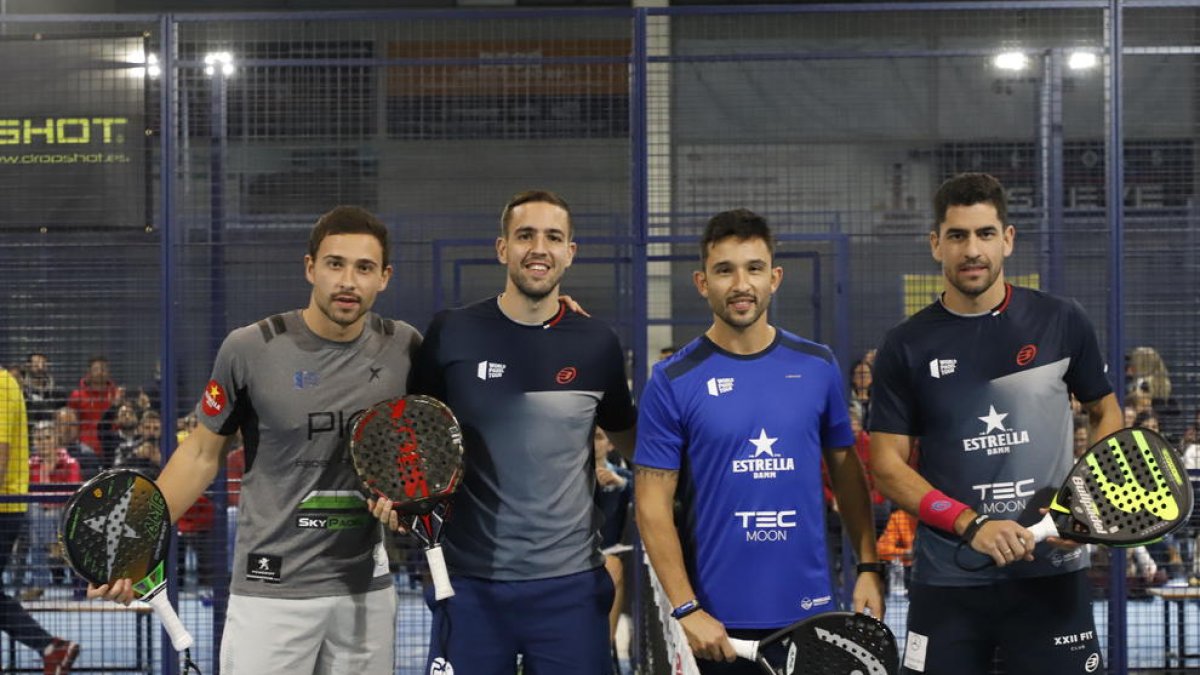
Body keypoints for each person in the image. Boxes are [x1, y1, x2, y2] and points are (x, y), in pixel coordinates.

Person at [91, 205, 419, 674]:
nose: (348, 281)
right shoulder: (251, 349)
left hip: (366, 593)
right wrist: (131, 546)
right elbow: (202, 454)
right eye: (335, 264)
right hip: (271, 594)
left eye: (364, 268)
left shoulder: (405, 349)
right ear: (310, 268)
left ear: (384, 277)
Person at [373, 189, 637, 675]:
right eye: (525, 236)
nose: (539, 248)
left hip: (571, 589)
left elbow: (635, 444)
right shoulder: (452, 332)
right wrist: (399, 499)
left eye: (553, 237)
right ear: (502, 249)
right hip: (470, 586)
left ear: (569, 253)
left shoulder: (597, 344)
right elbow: (414, 441)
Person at [869, 173, 1122, 674]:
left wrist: (1090, 500)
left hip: (1051, 572)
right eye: (958, 236)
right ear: (935, 244)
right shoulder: (906, 346)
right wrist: (973, 525)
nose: (972, 250)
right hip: (948, 580)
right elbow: (886, 467)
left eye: (985, 234)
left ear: (1007, 239)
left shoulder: (1061, 321)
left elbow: (1104, 409)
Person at [634, 209, 884, 674]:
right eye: (724, 270)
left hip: (811, 614)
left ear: (775, 277)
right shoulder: (672, 380)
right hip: (716, 628)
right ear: (702, 281)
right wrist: (687, 608)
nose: (741, 284)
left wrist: (869, 567)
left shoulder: (817, 365)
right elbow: (651, 504)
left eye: (753, 268)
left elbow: (848, 475)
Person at [0, 369, 81, 673]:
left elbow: (1, 455)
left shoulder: (2, 385)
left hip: (3, 505)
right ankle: (52, 648)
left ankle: (52, 647)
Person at [66, 356, 118, 456]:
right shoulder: (77, 395)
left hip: (111, 447)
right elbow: (71, 424)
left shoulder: (116, 395)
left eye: (103, 369)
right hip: (85, 450)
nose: (100, 373)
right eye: (96, 369)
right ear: (88, 373)